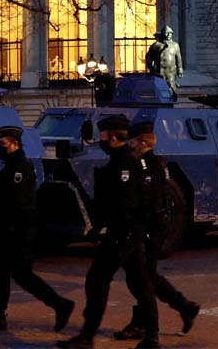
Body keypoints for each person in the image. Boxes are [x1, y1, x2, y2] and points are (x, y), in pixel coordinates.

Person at [57, 114, 159, 349]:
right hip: (130, 233)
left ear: (113, 138)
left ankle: (87, 337)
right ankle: (152, 336)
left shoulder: (122, 163)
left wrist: (110, 228)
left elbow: (123, 203)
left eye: (102, 136)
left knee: (97, 281)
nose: (99, 140)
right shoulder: (128, 160)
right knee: (141, 285)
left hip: (121, 233)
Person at [0, 125, 75, 334]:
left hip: (18, 229)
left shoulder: (20, 167)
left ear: (14, 144)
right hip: (10, 228)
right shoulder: (10, 166)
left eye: (2, 144)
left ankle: (60, 305)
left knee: (22, 275)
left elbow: (17, 201)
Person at [114, 120, 200, 341]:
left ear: (142, 142)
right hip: (151, 229)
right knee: (145, 277)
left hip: (148, 231)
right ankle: (183, 307)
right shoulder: (152, 163)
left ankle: (147, 328)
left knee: (140, 279)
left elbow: (148, 201)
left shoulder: (148, 165)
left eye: (132, 141)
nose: (129, 145)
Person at [145, 27, 184, 96]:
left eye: (170, 33)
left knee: (171, 86)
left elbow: (178, 58)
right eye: (167, 33)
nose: (169, 35)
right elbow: (149, 57)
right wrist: (151, 66)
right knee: (160, 88)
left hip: (171, 71)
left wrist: (180, 70)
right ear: (163, 34)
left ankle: (172, 97)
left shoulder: (175, 45)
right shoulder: (156, 45)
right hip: (159, 71)